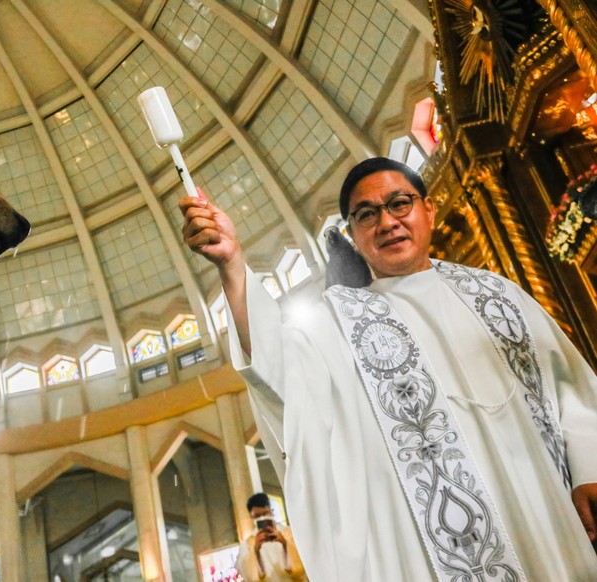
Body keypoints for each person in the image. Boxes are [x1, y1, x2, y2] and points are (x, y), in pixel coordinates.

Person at [179, 157, 597, 581]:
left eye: (400, 203)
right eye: (367, 214)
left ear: (428, 209)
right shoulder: (341, 322)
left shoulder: (497, 294)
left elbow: (572, 391)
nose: (387, 222)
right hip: (447, 548)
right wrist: (231, 265)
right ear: (353, 234)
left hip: (549, 507)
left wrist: (589, 468)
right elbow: (279, 372)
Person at [234, 492, 306, 581]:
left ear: (271, 512)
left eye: (265, 513)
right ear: (251, 517)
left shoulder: (289, 533)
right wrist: (255, 551)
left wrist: (285, 544)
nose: (262, 518)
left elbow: (302, 567)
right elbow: (249, 577)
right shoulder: (247, 545)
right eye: (257, 516)